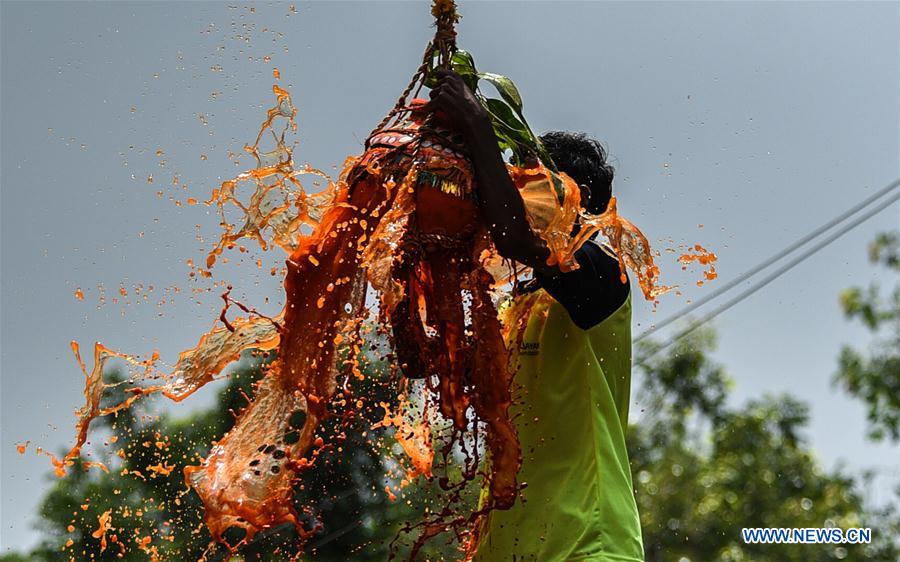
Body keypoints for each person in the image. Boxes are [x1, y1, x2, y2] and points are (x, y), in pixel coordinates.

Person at [428, 69, 645, 562]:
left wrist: (480, 127)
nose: (513, 194)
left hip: (588, 542)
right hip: (504, 547)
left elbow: (517, 235)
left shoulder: (603, 274)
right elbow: (455, 383)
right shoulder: (514, 304)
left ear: (575, 200)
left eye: (530, 184)